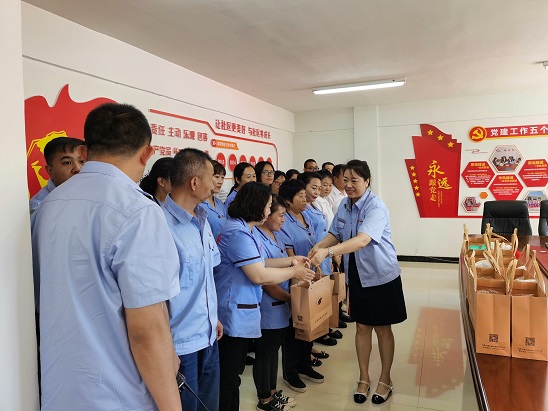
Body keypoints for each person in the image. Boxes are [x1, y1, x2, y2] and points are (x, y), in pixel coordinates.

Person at [31, 103, 182, 411]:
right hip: (117, 395)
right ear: (146, 154)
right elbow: (147, 331)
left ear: (84, 151)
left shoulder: (48, 206)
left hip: (59, 390)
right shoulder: (138, 211)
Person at [309, 159, 407, 405]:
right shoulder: (344, 204)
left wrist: (329, 252)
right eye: (345, 180)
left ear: (367, 181)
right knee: (362, 327)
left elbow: (363, 240)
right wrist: (319, 246)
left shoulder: (376, 207)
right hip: (357, 275)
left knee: (382, 329)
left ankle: (385, 379)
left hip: (381, 275)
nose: (349, 185)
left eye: (355, 180)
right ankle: (364, 378)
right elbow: (336, 233)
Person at [214, 182, 314, 411]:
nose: (269, 212)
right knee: (230, 377)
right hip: (231, 313)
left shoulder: (245, 230)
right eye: (268, 206)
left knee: (233, 375)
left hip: (242, 310)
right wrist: (294, 271)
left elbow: (259, 261)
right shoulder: (238, 233)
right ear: (256, 206)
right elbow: (259, 274)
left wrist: (290, 260)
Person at [163, 148, 223, 411]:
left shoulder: (202, 220)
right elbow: (158, 296)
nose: (215, 184)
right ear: (195, 182)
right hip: (180, 345)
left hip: (208, 336)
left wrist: (213, 316)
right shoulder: (160, 225)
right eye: (211, 177)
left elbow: (204, 277)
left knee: (209, 406)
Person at [277, 179, 325, 393]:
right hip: (294, 280)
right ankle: (291, 371)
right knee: (293, 328)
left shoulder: (306, 217)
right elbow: (289, 256)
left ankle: (305, 365)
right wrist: (301, 275)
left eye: (305, 195)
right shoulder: (284, 222)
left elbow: (314, 245)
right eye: (301, 196)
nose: (305, 199)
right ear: (288, 200)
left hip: (310, 276)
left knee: (309, 324)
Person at [254, 195, 297, 411]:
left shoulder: (276, 235)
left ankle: (272, 392)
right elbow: (266, 282)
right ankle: (264, 399)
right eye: (280, 215)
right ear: (266, 215)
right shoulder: (257, 237)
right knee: (265, 354)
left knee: (273, 352)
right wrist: (291, 299)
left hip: (281, 306)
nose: (283, 220)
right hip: (269, 307)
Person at [29, 137, 85, 215]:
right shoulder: (40, 208)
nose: (78, 169)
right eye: (67, 163)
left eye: (82, 161)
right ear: (50, 171)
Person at [200, 160, 227, 240]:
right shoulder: (198, 204)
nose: (220, 182)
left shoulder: (220, 204)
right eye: (216, 177)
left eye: (222, 178)